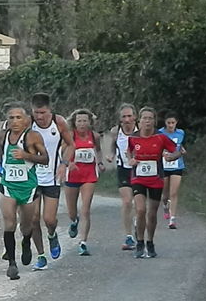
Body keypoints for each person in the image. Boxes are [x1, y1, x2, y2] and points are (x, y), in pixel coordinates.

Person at [0, 102, 49, 280]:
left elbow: (45, 159)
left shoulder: (32, 136)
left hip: (28, 188)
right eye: (11, 118)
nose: (15, 121)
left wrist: (26, 156)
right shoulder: (3, 135)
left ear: (26, 120)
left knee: (27, 225)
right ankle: (12, 263)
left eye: (19, 117)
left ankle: (26, 241)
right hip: (8, 185)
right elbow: (0, 153)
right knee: (9, 222)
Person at [29, 93, 75, 270]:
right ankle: (40, 255)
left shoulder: (59, 122)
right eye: (36, 113)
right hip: (32, 177)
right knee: (33, 219)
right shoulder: (27, 123)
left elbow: (71, 145)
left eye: (43, 112)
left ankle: (52, 234)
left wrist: (64, 164)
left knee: (49, 219)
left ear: (49, 110)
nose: (39, 117)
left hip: (52, 177)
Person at [127, 107, 180, 258]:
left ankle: (150, 242)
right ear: (139, 121)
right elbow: (129, 150)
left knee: (151, 213)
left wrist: (172, 157)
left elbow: (176, 150)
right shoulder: (133, 137)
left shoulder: (160, 137)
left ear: (154, 121)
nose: (147, 121)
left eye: (150, 118)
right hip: (138, 178)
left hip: (156, 179)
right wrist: (131, 159)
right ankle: (140, 242)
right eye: (144, 118)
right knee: (141, 210)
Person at [59, 109, 105, 256]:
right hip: (72, 175)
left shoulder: (95, 136)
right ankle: (74, 221)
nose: (82, 123)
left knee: (85, 209)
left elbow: (97, 151)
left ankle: (83, 242)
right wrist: (68, 163)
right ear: (74, 122)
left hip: (89, 176)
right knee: (72, 211)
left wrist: (100, 163)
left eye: (85, 120)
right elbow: (61, 152)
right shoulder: (70, 135)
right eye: (79, 121)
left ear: (90, 122)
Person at [105, 103, 139, 250]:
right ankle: (128, 236)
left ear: (135, 117)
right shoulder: (115, 131)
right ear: (120, 119)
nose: (127, 119)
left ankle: (138, 224)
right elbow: (113, 145)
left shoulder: (141, 131)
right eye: (124, 116)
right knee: (126, 202)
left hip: (140, 171)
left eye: (129, 116)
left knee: (139, 204)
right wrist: (111, 155)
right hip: (123, 169)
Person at [159, 111, 187, 229]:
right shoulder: (160, 133)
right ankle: (165, 205)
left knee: (174, 193)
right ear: (165, 123)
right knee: (165, 194)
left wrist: (182, 151)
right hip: (164, 166)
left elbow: (180, 146)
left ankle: (172, 219)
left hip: (177, 165)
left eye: (173, 123)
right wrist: (163, 153)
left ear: (176, 123)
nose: (171, 125)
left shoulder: (181, 133)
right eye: (169, 123)